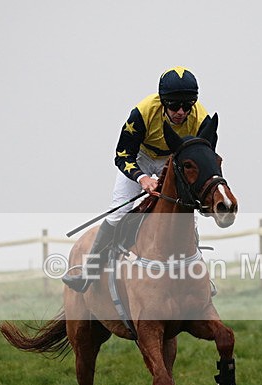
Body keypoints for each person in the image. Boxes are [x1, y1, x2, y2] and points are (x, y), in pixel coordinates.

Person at [63, 66, 217, 292]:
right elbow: (122, 154)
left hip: (173, 160)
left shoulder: (202, 118)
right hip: (141, 157)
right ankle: (90, 271)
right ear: (163, 102)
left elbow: (203, 158)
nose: (181, 112)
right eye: (174, 106)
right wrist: (142, 178)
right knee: (118, 212)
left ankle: (200, 275)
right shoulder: (142, 113)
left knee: (188, 217)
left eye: (187, 105)